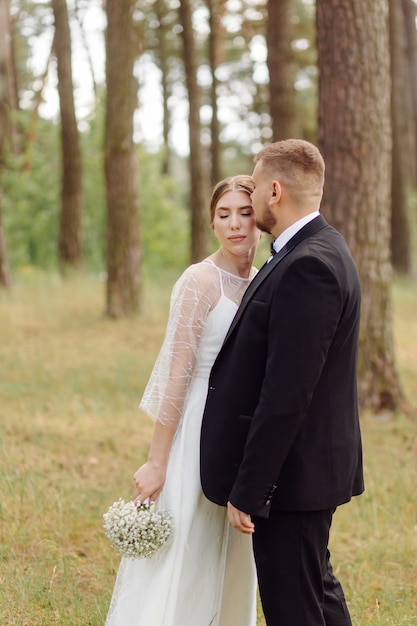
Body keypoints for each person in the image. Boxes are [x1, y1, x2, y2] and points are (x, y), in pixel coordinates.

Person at [200, 139, 364, 626]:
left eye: (252, 184)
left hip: (294, 477)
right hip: (307, 470)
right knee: (317, 592)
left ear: (275, 190)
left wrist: (251, 488)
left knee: (295, 606)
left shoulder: (307, 265)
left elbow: (287, 393)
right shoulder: (314, 249)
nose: (248, 197)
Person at [105, 175, 261, 626]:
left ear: (261, 220)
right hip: (195, 426)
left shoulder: (262, 280)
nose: (235, 225)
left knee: (233, 547)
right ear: (211, 222)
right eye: (223, 214)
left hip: (241, 432)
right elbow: (177, 376)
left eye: (245, 213)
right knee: (187, 543)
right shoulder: (198, 281)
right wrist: (157, 461)